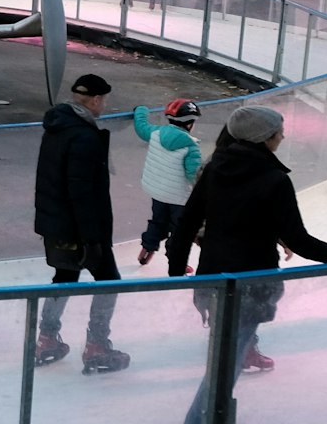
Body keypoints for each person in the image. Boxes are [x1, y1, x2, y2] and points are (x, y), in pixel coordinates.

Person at [169, 107, 327, 424]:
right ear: (264, 137)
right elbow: (298, 240)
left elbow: (187, 222)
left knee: (225, 361)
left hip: (214, 279)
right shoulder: (273, 179)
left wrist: (177, 270)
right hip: (251, 284)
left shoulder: (217, 167)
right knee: (226, 365)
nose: (283, 135)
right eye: (278, 131)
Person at [32, 72, 129, 372]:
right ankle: (97, 344)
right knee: (109, 281)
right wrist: (91, 239)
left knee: (64, 277)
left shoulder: (58, 127)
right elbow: (82, 192)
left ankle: (47, 337)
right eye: (104, 100)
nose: (105, 105)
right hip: (81, 229)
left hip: (56, 224)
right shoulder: (84, 137)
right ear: (96, 100)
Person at [131, 100, 202, 270]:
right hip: (180, 198)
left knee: (158, 221)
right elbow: (194, 175)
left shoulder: (155, 133)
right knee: (179, 229)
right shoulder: (191, 146)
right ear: (190, 124)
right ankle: (175, 259)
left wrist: (140, 109)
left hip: (158, 191)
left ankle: (147, 248)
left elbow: (141, 127)